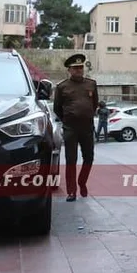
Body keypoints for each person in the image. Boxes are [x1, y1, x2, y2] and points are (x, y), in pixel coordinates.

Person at [52, 53, 98, 201]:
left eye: (80, 68)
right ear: (69, 70)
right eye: (75, 68)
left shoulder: (91, 84)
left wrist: (87, 115)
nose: (79, 70)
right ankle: (72, 191)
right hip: (70, 128)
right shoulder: (62, 87)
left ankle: (82, 182)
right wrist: (68, 119)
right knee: (71, 160)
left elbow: (94, 104)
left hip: (87, 127)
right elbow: (57, 108)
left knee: (89, 158)